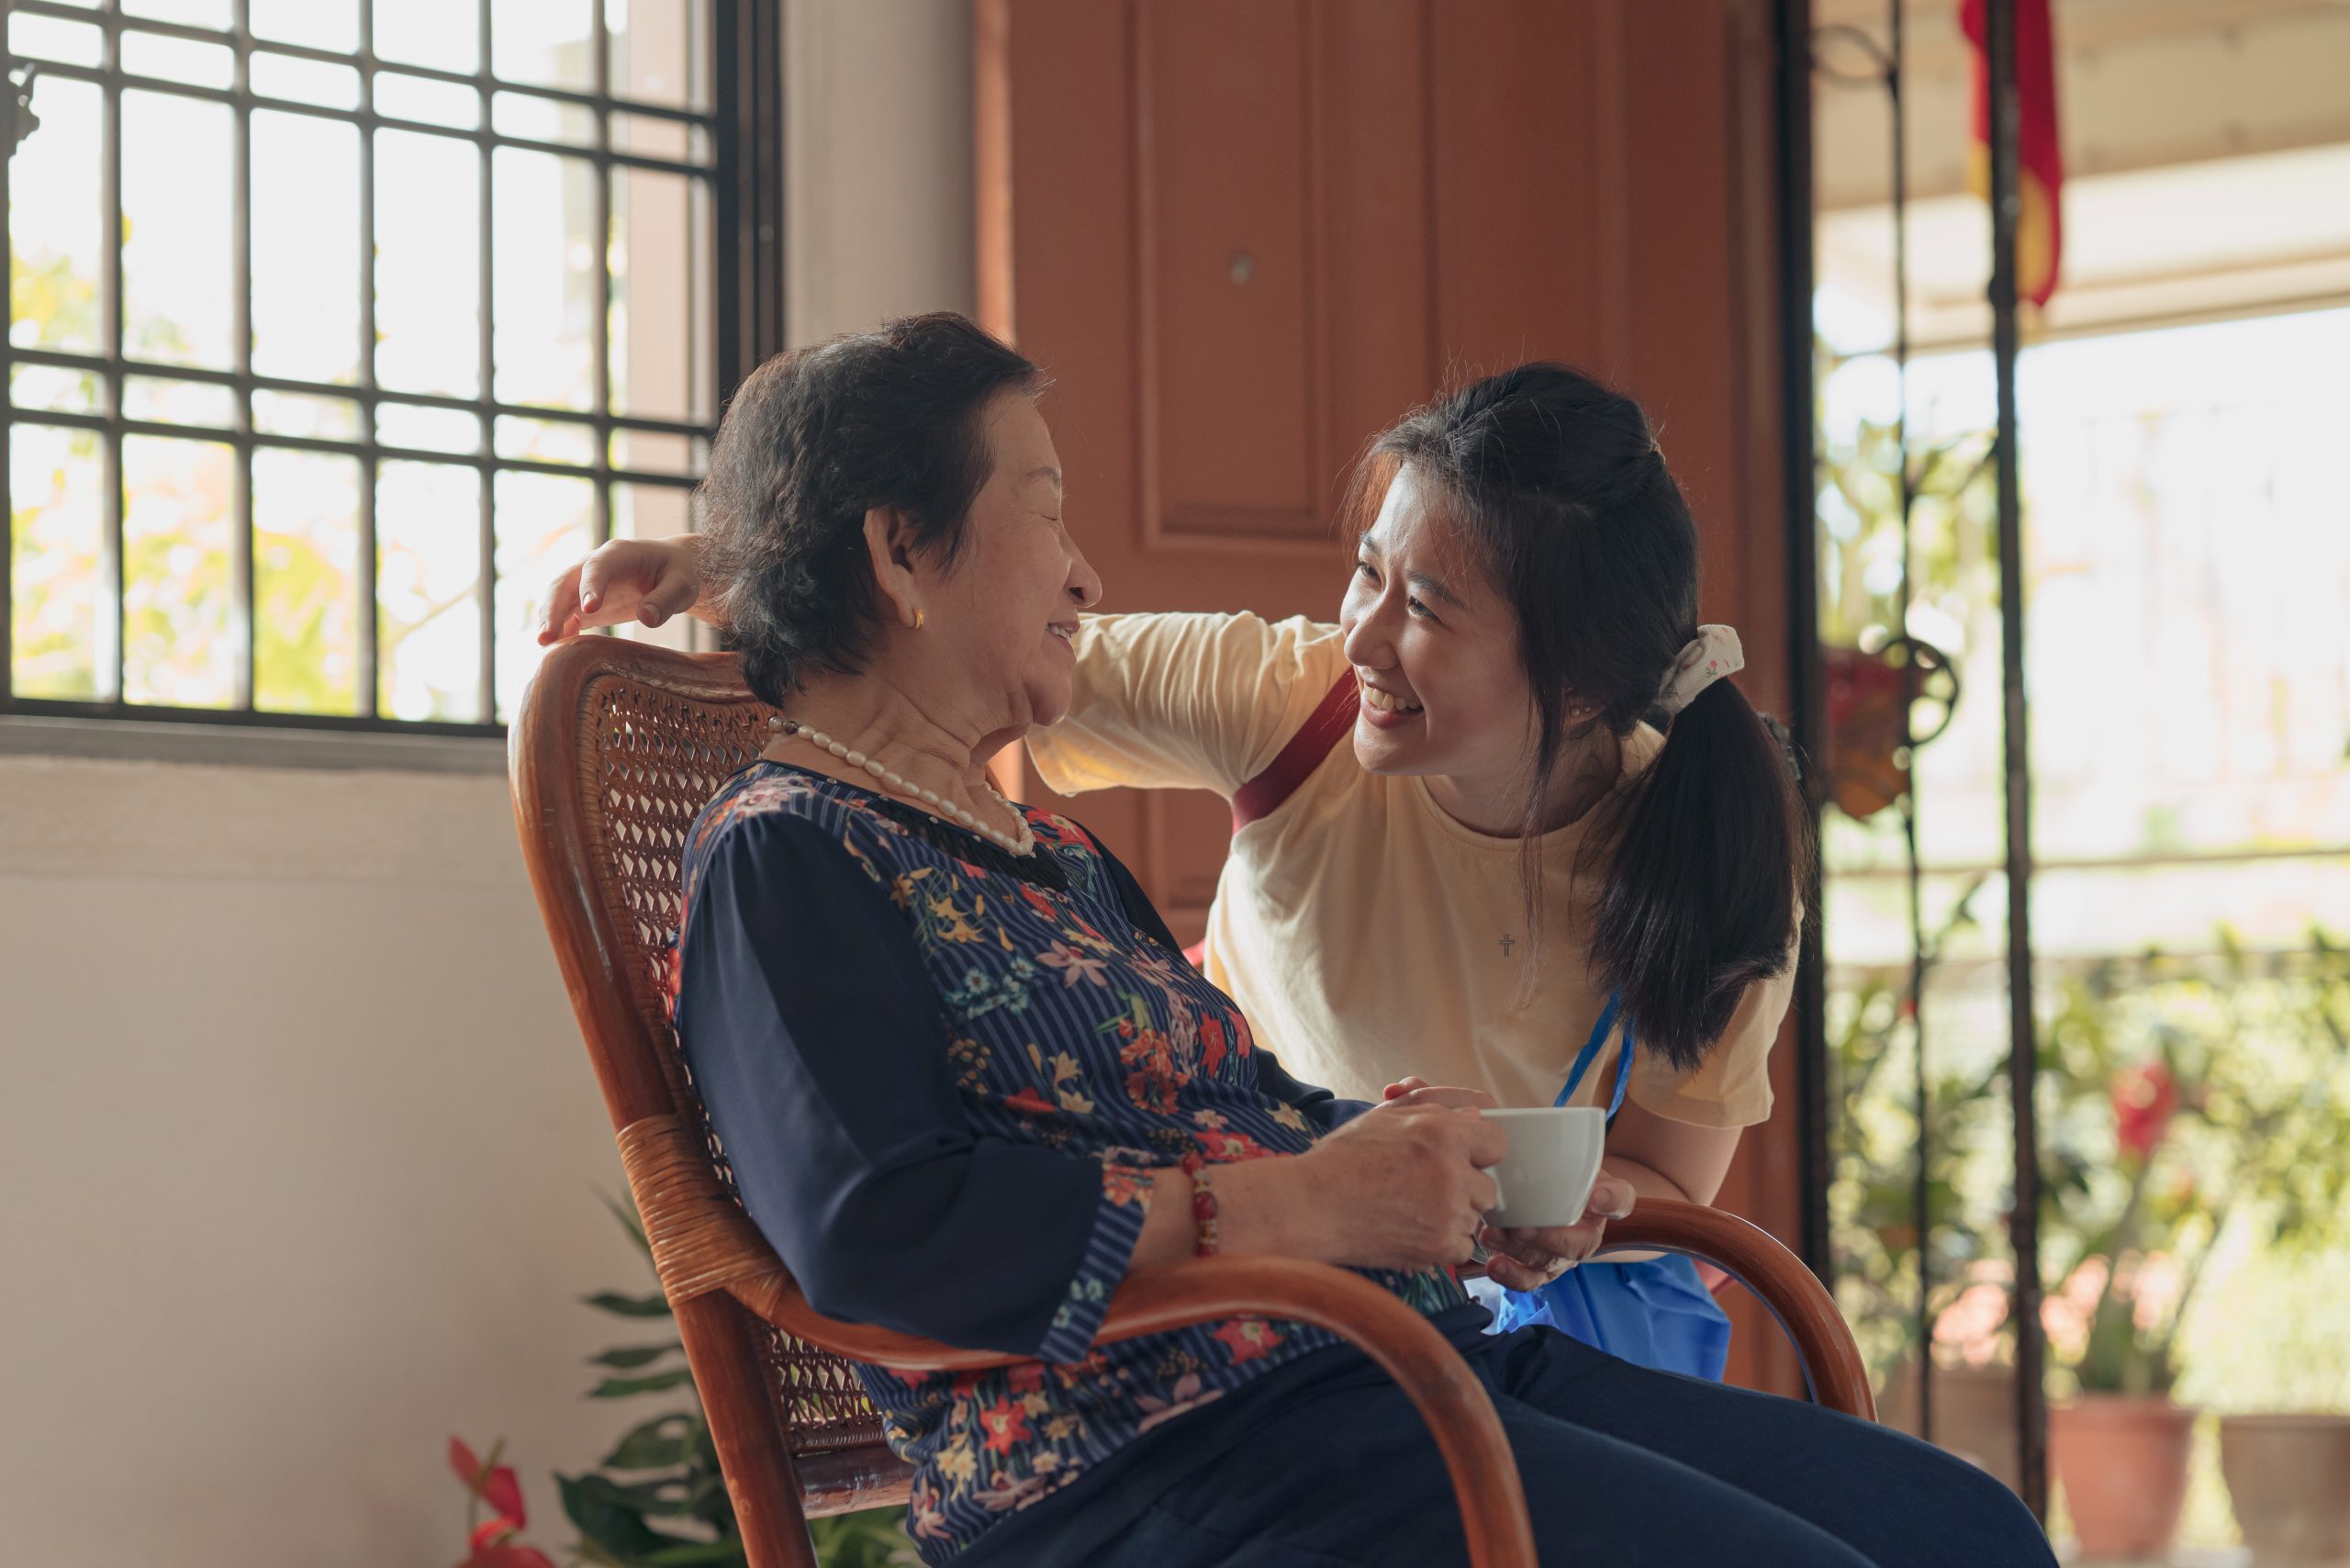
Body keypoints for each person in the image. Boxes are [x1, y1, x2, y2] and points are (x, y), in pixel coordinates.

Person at [653, 311, 2053, 1567]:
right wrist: (1299, 1205)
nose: (1084, 576)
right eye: (1048, 515)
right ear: (903, 553)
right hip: (1154, 1457)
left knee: (1964, 1535)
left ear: (1577, 680)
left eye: (1427, 605)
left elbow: (1239, 1107)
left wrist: (1426, 1162)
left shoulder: (1046, 854)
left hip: (1372, 1365)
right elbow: (878, 1231)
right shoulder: (794, 849)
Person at [547, 363, 1798, 1380]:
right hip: (1272, 1300)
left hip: (1483, 1302)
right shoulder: (1294, 702)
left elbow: (1670, 1181)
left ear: (1578, 688)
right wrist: (737, 568)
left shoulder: (1711, 857)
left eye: (1426, 606)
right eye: (1368, 571)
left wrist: (1530, 1208)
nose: (1361, 636)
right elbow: (977, 635)